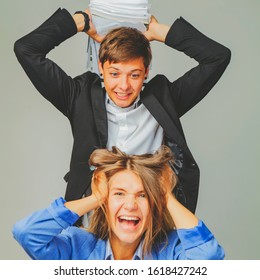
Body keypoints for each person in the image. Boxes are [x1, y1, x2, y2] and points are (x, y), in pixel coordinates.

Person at [14, 6, 231, 222]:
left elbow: (218, 57)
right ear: (101, 67)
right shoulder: (80, 98)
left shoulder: (165, 100)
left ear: (146, 71)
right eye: (114, 74)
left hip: (150, 225)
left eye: (134, 75)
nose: (124, 86)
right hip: (94, 224)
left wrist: (160, 32)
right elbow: (26, 50)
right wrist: (79, 22)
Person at [12, 146, 225, 260]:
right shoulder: (76, 248)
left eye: (143, 195)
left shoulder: (170, 252)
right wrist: (96, 198)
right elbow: (27, 233)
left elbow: (209, 257)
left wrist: (166, 196)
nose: (130, 205)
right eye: (119, 194)